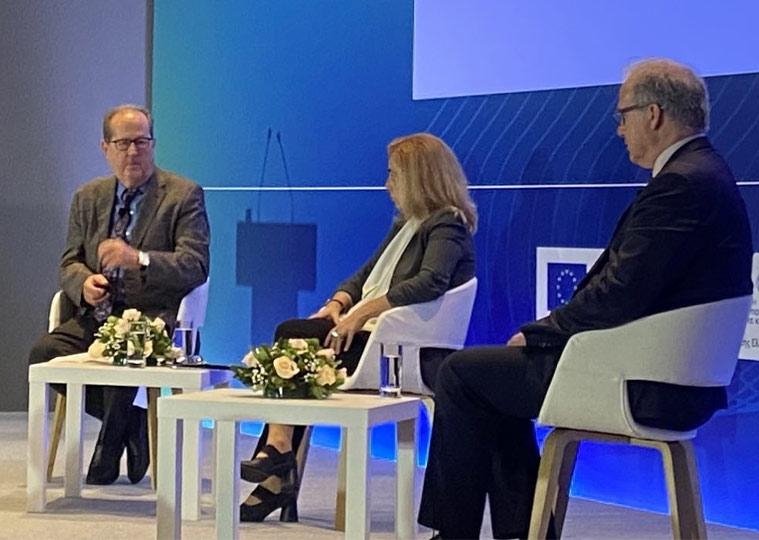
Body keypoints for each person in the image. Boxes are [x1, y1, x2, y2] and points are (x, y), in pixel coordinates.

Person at [418, 59, 753, 539]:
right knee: (491, 381)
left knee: (461, 374)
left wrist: (540, 334)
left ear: (653, 114)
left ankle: (454, 535)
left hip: (643, 383)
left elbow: (619, 294)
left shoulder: (681, 183)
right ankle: (523, 532)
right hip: (666, 376)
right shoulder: (705, 172)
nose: (619, 129)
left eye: (623, 115)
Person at [239, 132, 478, 522]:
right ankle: (278, 455)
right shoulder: (407, 225)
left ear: (418, 178)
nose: (387, 185)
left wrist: (363, 312)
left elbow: (430, 282)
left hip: (402, 349)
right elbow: (364, 275)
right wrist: (337, 303)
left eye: (394, 175)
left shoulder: (447, 224)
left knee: (295, 339)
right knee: (295, 334)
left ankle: (277, 468)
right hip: (374, 336)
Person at [28, 104, 210, 485]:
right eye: (123, 143)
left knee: (127, 354)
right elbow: (69, 262)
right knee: (44, 353)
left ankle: (107, 452)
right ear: (105, 147)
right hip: (97, 315)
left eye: (142, 142)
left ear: (153, 144)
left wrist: (139, 259)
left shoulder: (182, 195)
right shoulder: (88, 197)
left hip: (151, 319)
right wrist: (84, 284)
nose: (133, 152)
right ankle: (134, 422)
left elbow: (195, 265)